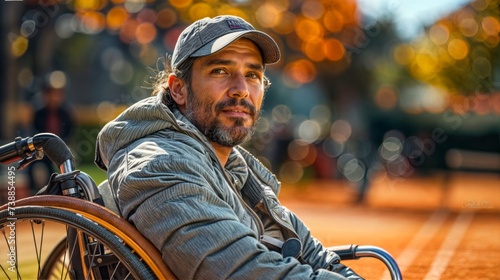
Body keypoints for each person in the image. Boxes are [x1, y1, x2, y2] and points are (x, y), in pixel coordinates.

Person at [95, 15, 363, 279]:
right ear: (178, 89)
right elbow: (242, 271)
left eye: (252, 74)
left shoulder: (235, 168)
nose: (241, 90)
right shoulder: (159, 165)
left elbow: (311, 252)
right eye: (220, 71)